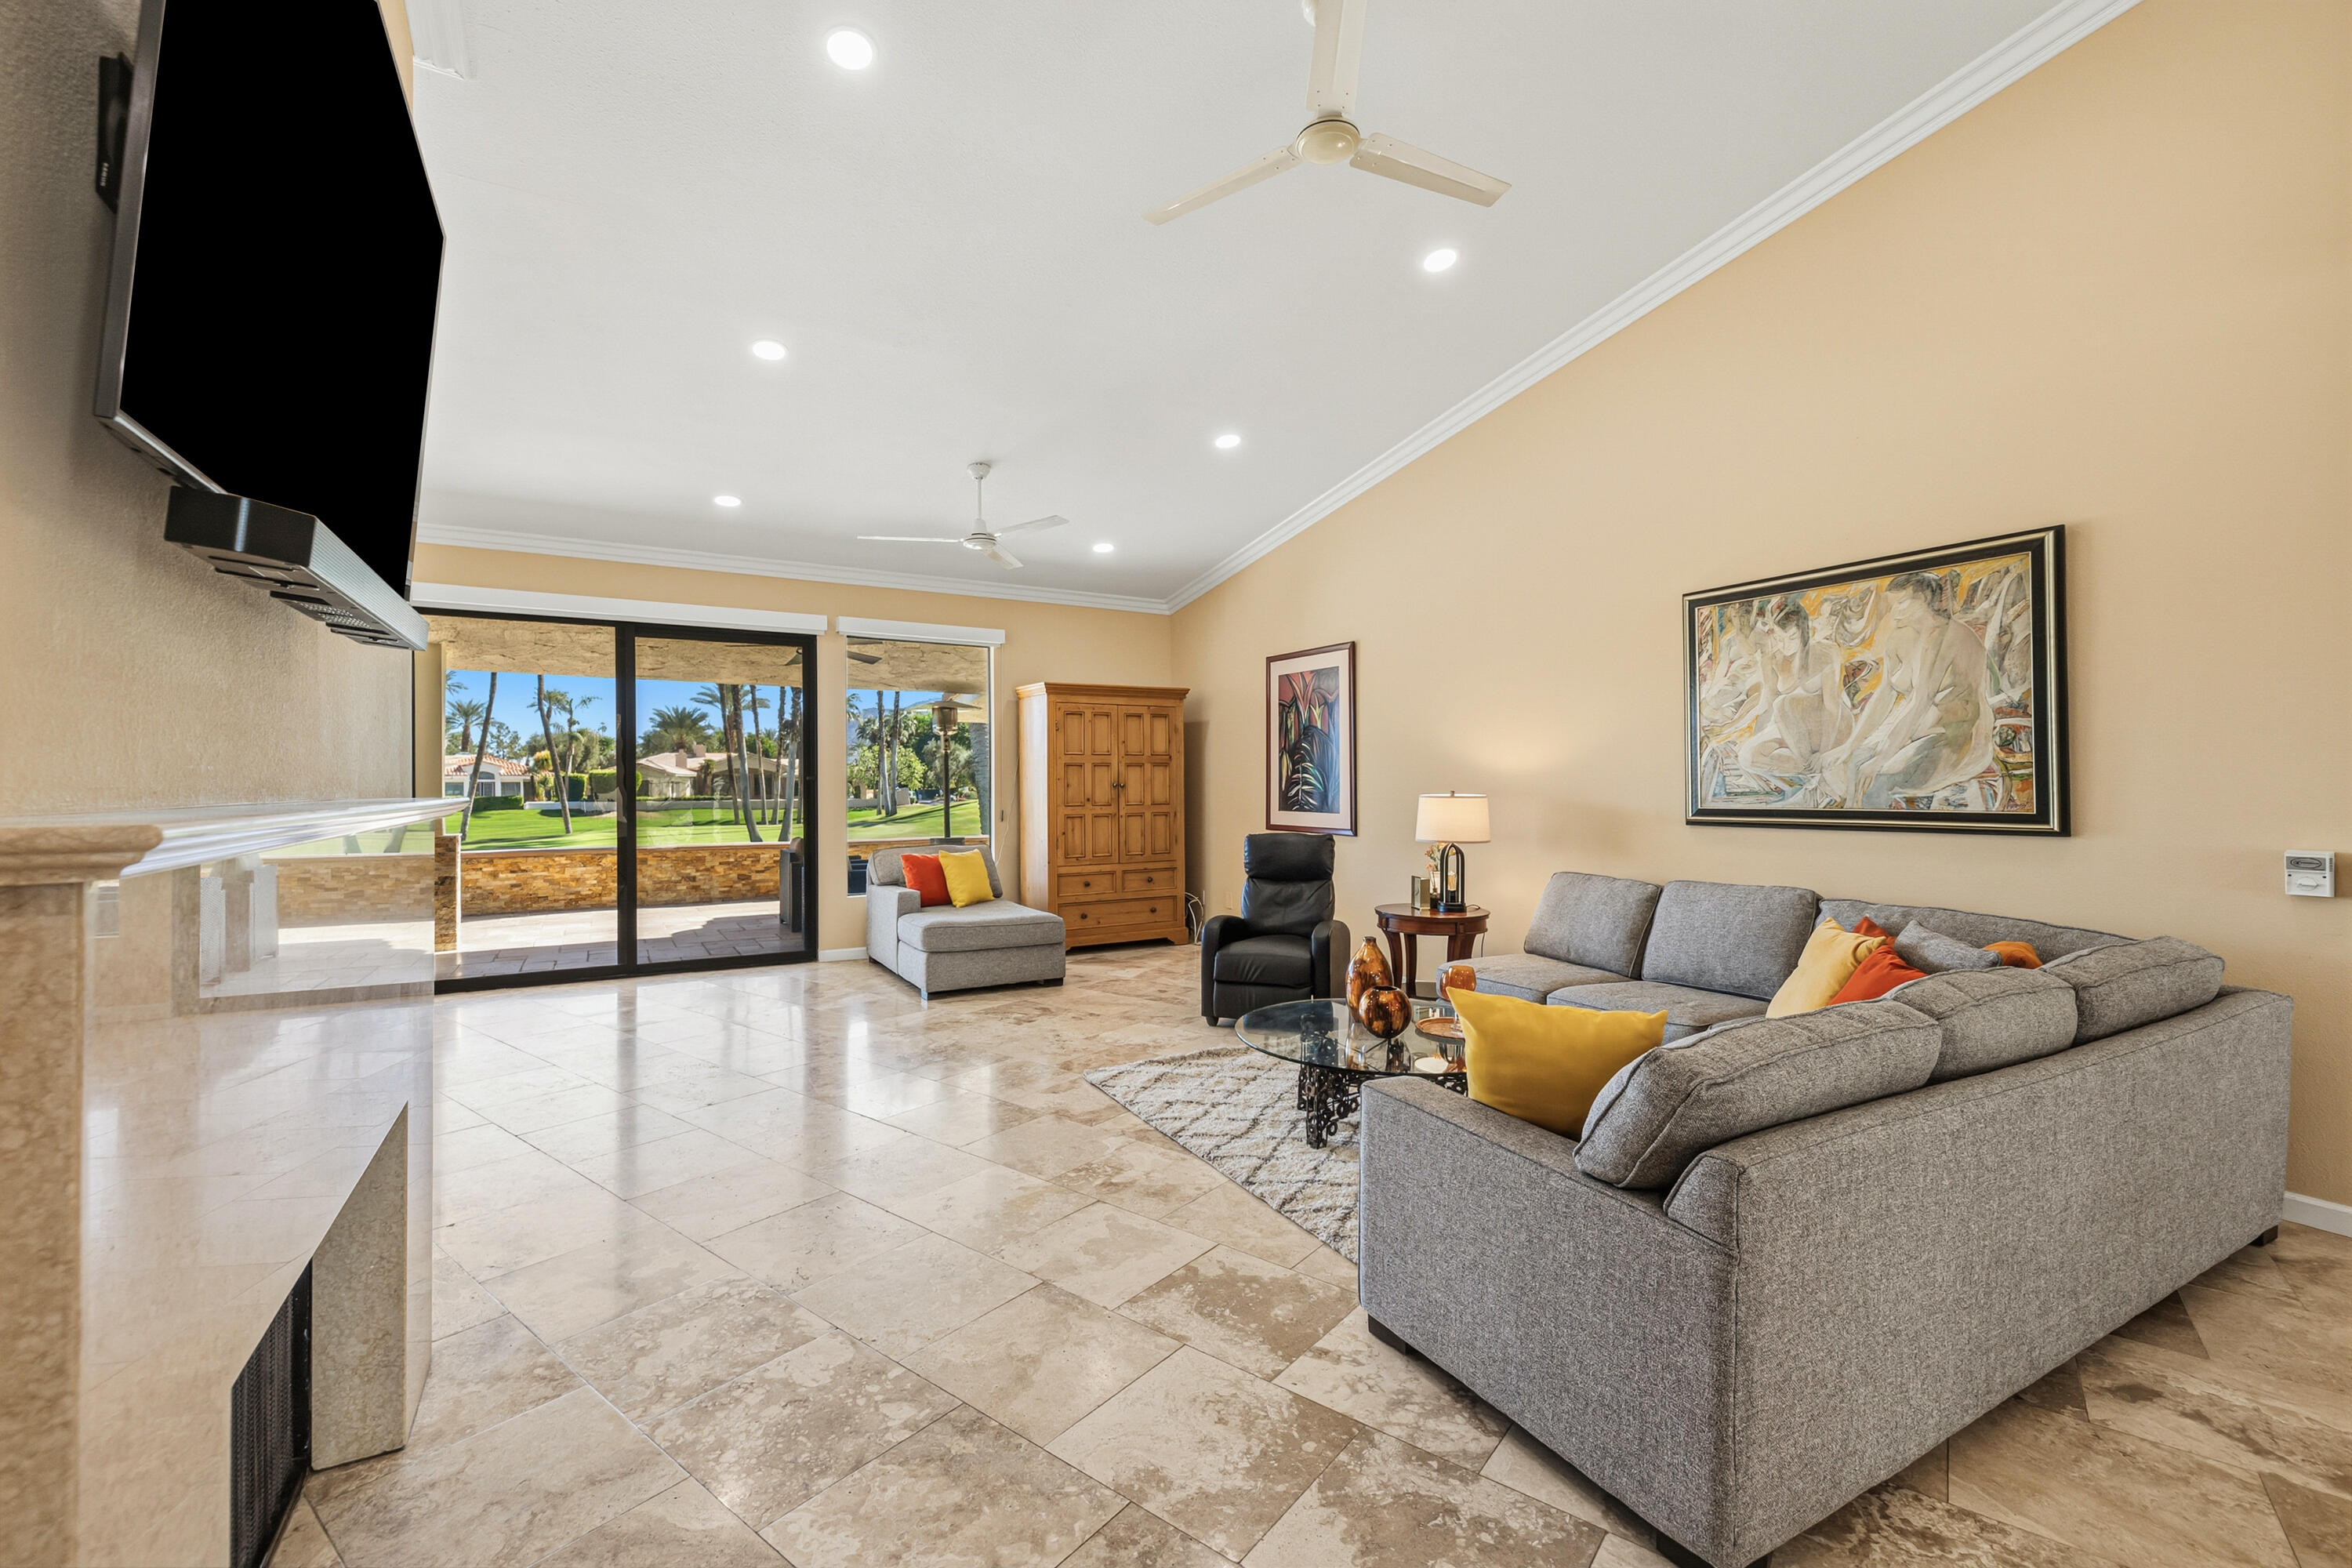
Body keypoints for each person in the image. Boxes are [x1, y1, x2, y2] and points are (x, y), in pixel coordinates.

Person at [1817, 571, 1996, 808]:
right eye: (1894, 605)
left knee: (1880, 778)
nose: (1895, 612)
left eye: (1902, 603)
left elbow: (1921, 701)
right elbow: (1884, 696)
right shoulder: (1899, 638)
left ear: (1925, 601)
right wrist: (1850, 745)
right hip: (1914, 729)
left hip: (1954, 736)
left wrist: (1882, 757)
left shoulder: (1948, 637)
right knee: (1856, 759)